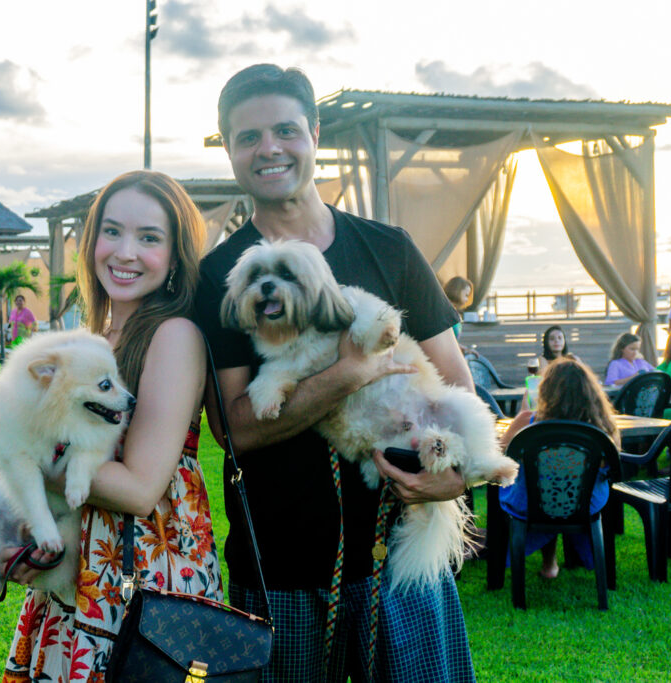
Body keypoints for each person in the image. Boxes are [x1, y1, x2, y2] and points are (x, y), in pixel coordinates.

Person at [195, 64, 474, 682]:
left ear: (315, 133)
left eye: (285, 130)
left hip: (398, 559)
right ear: (231, 151)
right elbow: (236, 429)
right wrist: (350, 374)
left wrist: (454, 479)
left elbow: (457, 384)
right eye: (248, 138)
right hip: (280, 571)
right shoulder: (222, 278)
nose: (269, 149)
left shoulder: (390, 249)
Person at [0, 171, 222, 681]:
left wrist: (23, 456)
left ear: (175, 255)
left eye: (149, 238)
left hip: (145, 577)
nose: (124, 252)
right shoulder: (92, 342)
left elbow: (142, 488)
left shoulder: (174, 335)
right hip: (82, 567)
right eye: (112, 231)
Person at [498, 357, 620, 578]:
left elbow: (500, 454)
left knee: (540, 485)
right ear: (590, 392)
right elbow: (612, 465)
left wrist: (524, 413)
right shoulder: (604, 428)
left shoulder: (528, 421)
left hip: (532, 503)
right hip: (585, 503)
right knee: (557, 486)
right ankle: (560, 561)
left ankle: (548, 564)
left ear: (545, 390)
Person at [444, 275, 477, 357]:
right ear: (458, 291)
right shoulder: (445, 311)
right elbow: (445, 341)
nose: (467, 299)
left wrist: (463, 348)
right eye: (466, 295)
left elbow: (450, 342)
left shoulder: (450, 310)